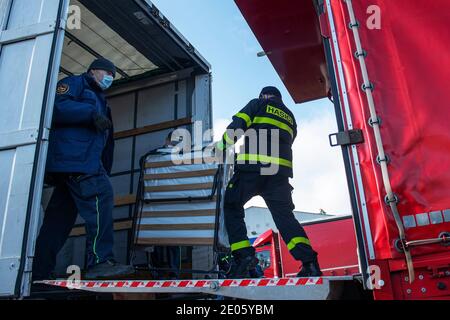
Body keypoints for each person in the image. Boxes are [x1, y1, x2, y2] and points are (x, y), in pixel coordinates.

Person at [32, 58, 134, 281]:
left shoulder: (101, 100)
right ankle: (99, 262)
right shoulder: (76, 83)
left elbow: (105, 143)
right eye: (107, 72)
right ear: (93, 70)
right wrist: (90, 114)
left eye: (113, 75)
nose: (110, 77)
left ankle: (38, 273)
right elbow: (57, 106)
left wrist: (104, 167)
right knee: (101, 195)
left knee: (57, 223)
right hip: (76, 160)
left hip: (80, 164)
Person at [217, 86, 322, 278]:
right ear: (279, 99)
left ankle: (243, 257)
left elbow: (237, 126)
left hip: (252, 169)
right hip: (279, 176)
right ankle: (310, 263)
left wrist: (219, 147)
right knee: (285, 218)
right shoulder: (290, 117)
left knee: (232, 205)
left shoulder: (258, 104)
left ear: (264, 96)